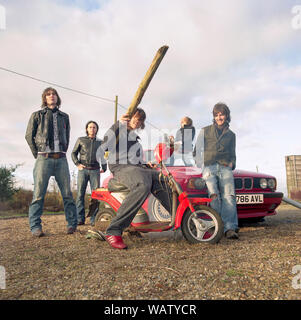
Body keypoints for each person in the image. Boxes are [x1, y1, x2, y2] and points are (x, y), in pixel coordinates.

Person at [96, 108, 172, 250]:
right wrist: (118, 124)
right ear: (130, 117)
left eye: (141, 120)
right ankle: (113, 230)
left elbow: (135, 161)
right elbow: (104, 145)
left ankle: (180, 218)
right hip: (120, 167)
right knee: (142, 184)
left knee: (160, 178)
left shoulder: (135, 137)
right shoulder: (118, 130)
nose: (138, 121)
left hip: (135, 168)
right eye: (136, 118)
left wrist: (145, 164)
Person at [25, 87, 78, 237]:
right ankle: (35, 227)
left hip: (61, 159)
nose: (51, 96)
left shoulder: (64, 116)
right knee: (38, 194)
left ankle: (72, 224)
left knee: (67, 194)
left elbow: (67, 135)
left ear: (57, 97)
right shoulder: (37, 115)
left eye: (53, 94)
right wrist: (37, 154)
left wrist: (63, 150)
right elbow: (29, 136)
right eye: (48, 94)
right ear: (44, 98)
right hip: (43, 158)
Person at [193, 102, 239, 239]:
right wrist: (201, 164)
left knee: (229, 196)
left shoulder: (231, 135)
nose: (219, 117)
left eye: (222, 114)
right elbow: (196, 151)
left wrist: (232, 164)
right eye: (217, 115)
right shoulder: (205, 131)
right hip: (209, 168)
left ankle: (230, 228)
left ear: (226, 116)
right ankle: (217, 227)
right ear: (214, 117)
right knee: (213, 196)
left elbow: (233, 154)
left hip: (225, 167)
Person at [71, 121, 107, 226]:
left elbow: (104, 155)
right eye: (90, 127)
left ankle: (93, 219)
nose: (92, 129)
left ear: (97, 129)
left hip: (95, 170)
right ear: (87, 129)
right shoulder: (81, 140)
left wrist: (104, 168)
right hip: (83, 170)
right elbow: (73, 153)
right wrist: (77, 164)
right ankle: (80, 219)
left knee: (96, 196)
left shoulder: (101, 142)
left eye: (94, 127)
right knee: (80, 194)